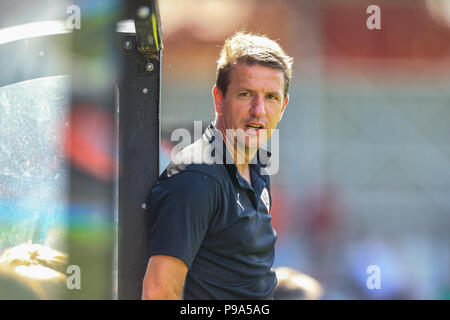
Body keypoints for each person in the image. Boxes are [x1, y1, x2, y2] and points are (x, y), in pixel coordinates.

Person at [142, 31, 293, 300]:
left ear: (283, 107)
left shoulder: (256, 169)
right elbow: (159, 291)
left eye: (271, 97)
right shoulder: (197, 178)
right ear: (219, 99)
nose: (258, 110)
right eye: (246, 94)